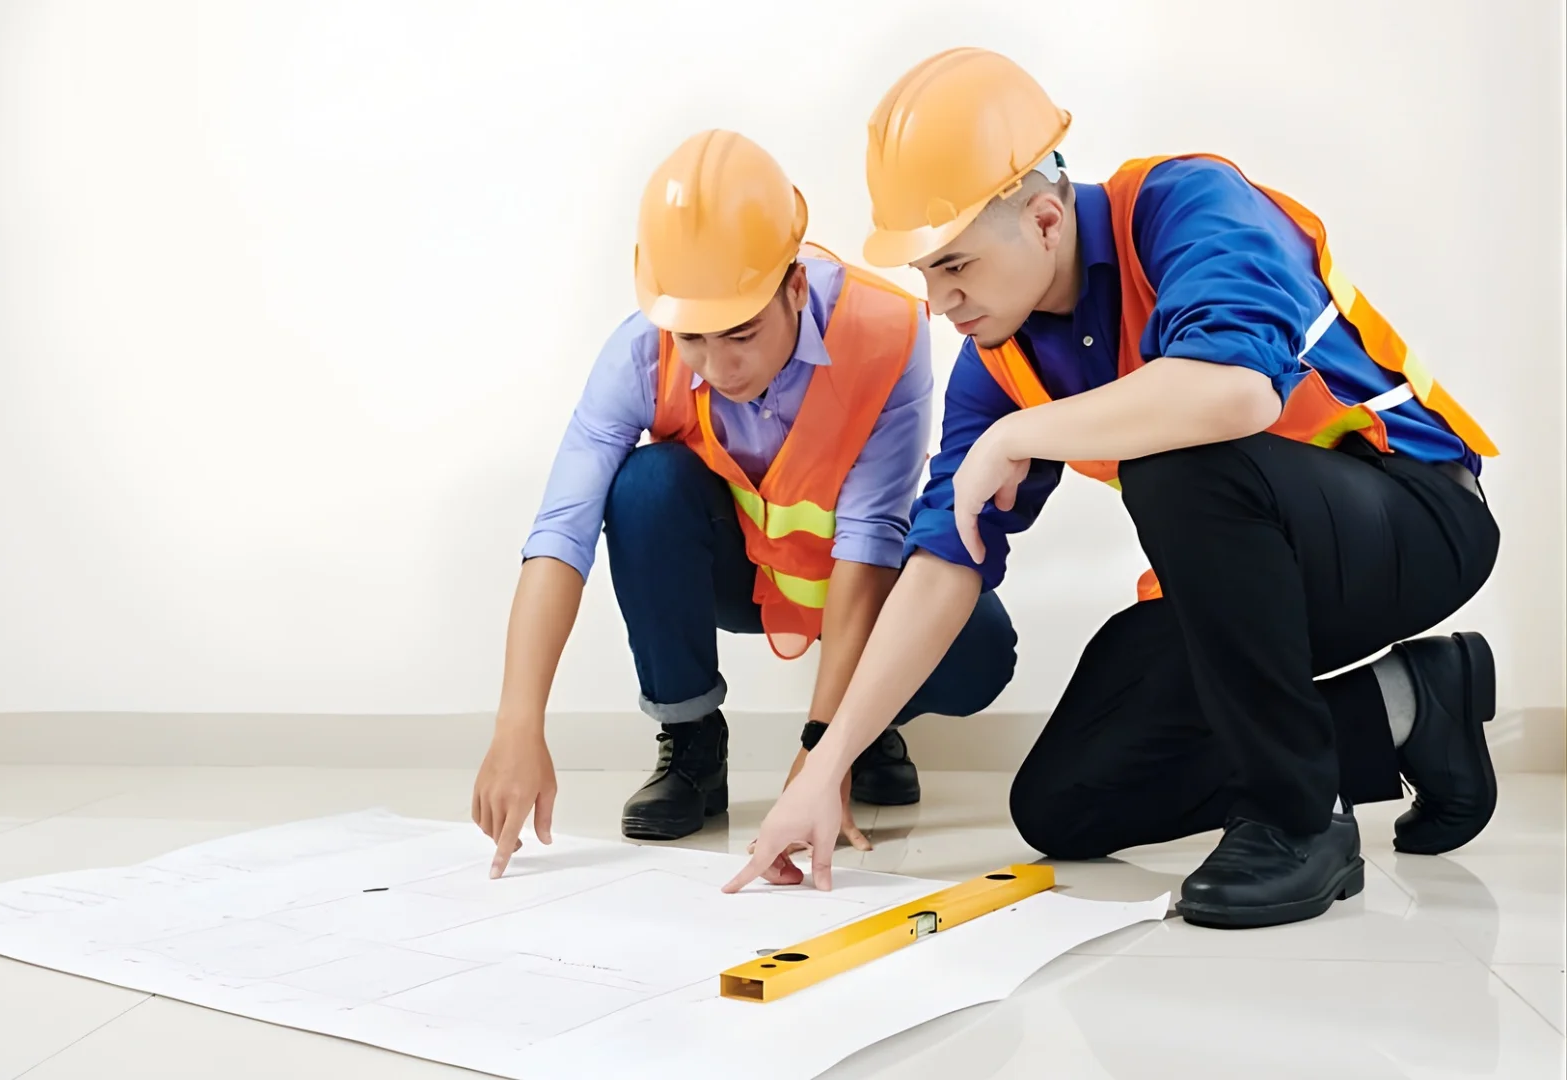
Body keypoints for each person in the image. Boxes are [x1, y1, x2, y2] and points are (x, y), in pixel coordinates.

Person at [731, 49, 1500, 930]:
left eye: (955, 267)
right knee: (1067, 803)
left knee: (1180, 453)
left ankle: (1295, 824)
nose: (940, 302)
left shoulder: (1186, 204)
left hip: (1411, 519)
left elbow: (1234, 391)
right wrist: (824, 769)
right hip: (1245, 588)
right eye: (926, 276)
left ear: (1047, 220)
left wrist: (1020, 434)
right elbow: (947, 558)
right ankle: (1410, 706)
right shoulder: (999, 356)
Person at [471, 130, 1019, 876]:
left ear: (795, 286)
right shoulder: (637, 352)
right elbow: (559, 532)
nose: (717, 365)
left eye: (740, 334)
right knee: (643, 486)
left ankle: (867, 727)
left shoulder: (884, 334)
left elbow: (870, 536)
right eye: (691, 338)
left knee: (981, 648)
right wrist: (516, 724)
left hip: (847, 577)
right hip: (736, 575)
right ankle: (692, 742)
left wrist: (820, 755)